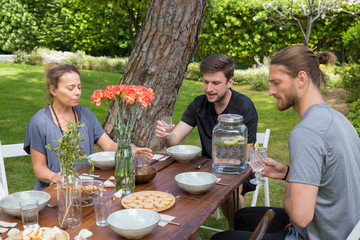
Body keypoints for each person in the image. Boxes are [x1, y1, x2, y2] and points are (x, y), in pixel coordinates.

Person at [211, 45, 360, 240]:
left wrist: (293, 180)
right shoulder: (337, 118)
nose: (270, 92)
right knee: (243, 217)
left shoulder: (307, 132)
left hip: (316, 235)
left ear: (301, 79)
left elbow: (300, 216)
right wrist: (290, 173)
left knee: (220, 239)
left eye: (276, 83)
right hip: (343, 228)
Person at [156, 54, 258, 219]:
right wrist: (166, 135)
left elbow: (246, 154)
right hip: (205, 166)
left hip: (236, 169)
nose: (208, 89)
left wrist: (217, 168)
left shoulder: (244, 106)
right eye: (205, 82)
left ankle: (238, 230)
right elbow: (174, 140)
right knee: (170, 183)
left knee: (229, 190)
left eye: (215, 83)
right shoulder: (199, 104)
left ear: (230, 82)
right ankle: (184, 228)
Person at [24, 64, 152, 190]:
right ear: (53, 90)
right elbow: (39, 168)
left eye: (79, 87)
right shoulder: (39, 122)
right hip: (55, 191)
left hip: (86, 188)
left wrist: (131, 150)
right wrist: (55, 177)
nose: (77, 92)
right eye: (70, 88)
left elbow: (109, 146)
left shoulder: (86, 114)